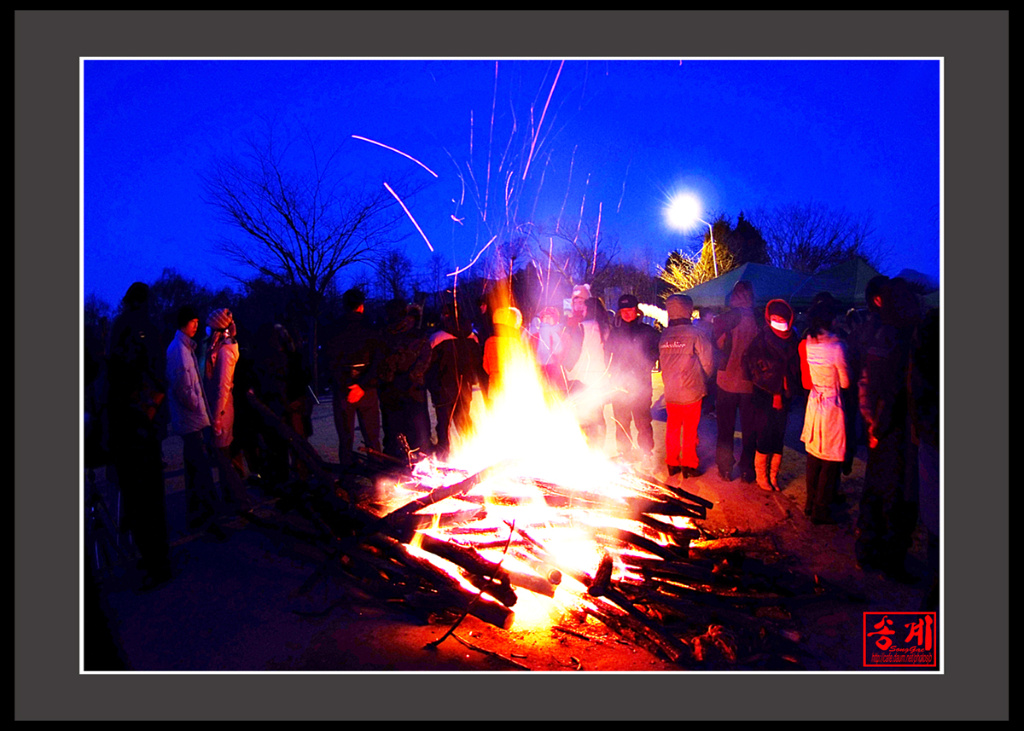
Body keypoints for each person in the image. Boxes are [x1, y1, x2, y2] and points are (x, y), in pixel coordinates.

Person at [106, 282, 172, 588]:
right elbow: (157, 377)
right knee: (150, 499)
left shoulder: (126, 328)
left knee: (140, 499)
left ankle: (153, 563)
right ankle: (158, 560)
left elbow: (121, 376)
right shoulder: (149, 329)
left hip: (131, 427)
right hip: (143, 426)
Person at [856, 277, 922, 582]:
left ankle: (868, 550)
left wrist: (870, 421)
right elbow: (892, 386)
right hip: (897, 429)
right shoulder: (900, 335)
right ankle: (889, 558)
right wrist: (878, 424)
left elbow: (867, 380)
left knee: (876, 489)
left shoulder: (882, 331)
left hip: (884, 427)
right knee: (898, 495)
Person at [166, 304, 226, 540]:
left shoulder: (182, 348)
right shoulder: (179, 351)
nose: (197, 326)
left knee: (194, 469)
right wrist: (197, 404)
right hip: (190, 419)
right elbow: (183, 385)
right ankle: (210, 516)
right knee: (200, 470)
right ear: (185, 322)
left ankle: (197, 514)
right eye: (194, 322)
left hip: (191, 418)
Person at [798, 298, 850, 524]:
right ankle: (821, 509)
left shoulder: (809, 343)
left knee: (813, 454)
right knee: (830, 458)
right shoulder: (837, 347)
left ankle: (810, 503)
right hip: (831, 403)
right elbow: (846, 382)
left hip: (814, 401)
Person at [742, 298, 801, 491]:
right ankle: (761, 476)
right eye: (773, 318)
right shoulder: (761, 339)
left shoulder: (794, 339)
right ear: (768, 318)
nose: (778, 322)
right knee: (765, 434)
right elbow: (750, 366)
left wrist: (788, 383)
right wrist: (772, 382)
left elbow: (797, 367)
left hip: (786, 395)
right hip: (765, 395)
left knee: (779, 436)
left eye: (781, 318)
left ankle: (773, 475)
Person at [326, 288, 384, 467]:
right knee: (372, 438)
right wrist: (362, 385)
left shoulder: (334, 329)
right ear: (361, 306)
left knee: (345, 439)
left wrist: (346, 386)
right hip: (367, 390)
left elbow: (329, 362)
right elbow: (378, 360)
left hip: (344, 391)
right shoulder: (371, 327)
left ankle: (347, 480)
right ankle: (377, 479)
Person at [203, 308, 252, 514]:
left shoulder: (225, 350)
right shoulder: (218, 348)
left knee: (224, 458)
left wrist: (216, 417)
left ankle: (239, 500)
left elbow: (223, 385)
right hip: (219, 408)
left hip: (221, 410)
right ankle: (232, 498)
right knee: (226, 456)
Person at [659, 294, 714, 478]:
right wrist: (705, 377)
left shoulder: (665, 335)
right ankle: (689, 465)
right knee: (690, 429)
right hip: (692, 389)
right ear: (688, 310)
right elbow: (707, 361)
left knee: (672, 427)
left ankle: (672, 463)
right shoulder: (696, 334)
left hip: (671, 390)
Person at [711, 280, 759, 483]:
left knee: (725, 427)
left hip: (726, 380)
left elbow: (719, 344)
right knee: (750, 428)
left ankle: (725, 468)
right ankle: (748, 469)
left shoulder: (725, 319)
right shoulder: (758, 319)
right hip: (750, 382)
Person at [606, 293, 661, 466]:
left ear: (637, 311)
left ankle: (646, 453)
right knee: (621, 421)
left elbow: (657, 351)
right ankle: (624, 452)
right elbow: (608, 355)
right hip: (619, 385)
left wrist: (648, 363)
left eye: (630, 310)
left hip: (641, 385)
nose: (627, 313)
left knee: (643, 421)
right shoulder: (614, 333)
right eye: (623, 310)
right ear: (619, 312)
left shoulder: (648, 331)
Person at [426, 303, 482, 458]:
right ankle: (475, 453)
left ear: (445, 315)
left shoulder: (437, 338)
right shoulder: (472, 336)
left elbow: (428, 364)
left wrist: (432, 385)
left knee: (443, 425)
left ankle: (444, 457)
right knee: (464, 419)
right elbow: (477, 361)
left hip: (443, 387)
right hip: (465, 386)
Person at [379, 298, 432, 460]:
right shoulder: (417, 334)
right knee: (417, 430)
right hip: (413, 390)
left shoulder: (384, 336)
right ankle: (421, 463)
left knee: (394, 431)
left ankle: (397, 463)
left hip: (393, 391)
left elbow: (381, 363)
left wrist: (391, 378)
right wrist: (413, 376)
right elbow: (426, 358)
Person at [563, 296, 611, 447]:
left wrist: (566, 368)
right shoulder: (606, 328)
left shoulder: (582, 327)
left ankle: (586, 448)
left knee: (583, 415)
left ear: (587, 309)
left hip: (581, 377)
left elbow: (574, 352)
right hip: (600, 379)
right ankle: (599, 448)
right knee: (598, 415)